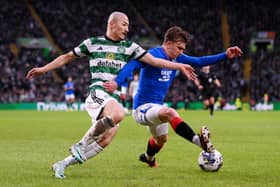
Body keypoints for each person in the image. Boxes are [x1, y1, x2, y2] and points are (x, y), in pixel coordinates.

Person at [26, 12, 196, 179]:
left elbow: (156, 61)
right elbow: (67, 57)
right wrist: (43, 69)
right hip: (98, 93)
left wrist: (179, 66)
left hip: (113, 98)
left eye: (128, 25)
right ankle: (81, 144)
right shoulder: (93, 43)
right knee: (119, 114)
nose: (127, 29)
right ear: (111, 24)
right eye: (124, 24)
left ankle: (62, 164)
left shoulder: (130, 47)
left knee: (106, 138)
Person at [104, 26, 242, 167]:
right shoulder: (152, 54)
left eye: (183, 49)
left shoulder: (178, 58)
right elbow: (132, 64)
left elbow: (200, 61)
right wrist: (117, 82)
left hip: (157, 108)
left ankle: (148, 158)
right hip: (141, 108)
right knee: (170, 112)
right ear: (168, 43)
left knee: (161, 140)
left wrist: (225, 55)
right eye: (179, 48)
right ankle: (199, 141)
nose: (181, 52)